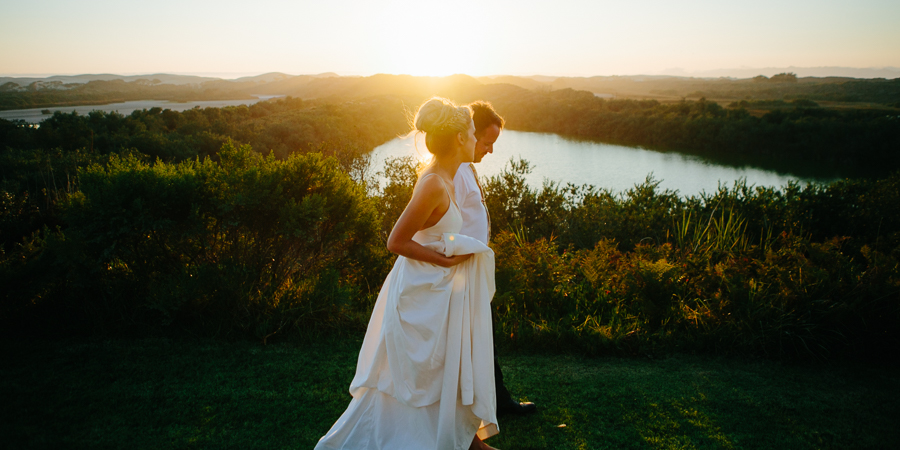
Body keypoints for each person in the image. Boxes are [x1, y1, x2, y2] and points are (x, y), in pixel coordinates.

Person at [315, 97, 500, 450]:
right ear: (460, 137)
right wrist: (440, 258)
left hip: (436, 290)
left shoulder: (447, 175)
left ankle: (465, 441)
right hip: (419, 290)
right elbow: (396, 241)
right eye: (474, 133)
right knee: (420, 373)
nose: (478, 140)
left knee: (442, 368)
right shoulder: (433, 183)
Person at [454, 101, 537, 417]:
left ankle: (492, 402)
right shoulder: (455, 173)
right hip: (461, 275)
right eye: (487, 142)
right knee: (478, 342)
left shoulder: (465, 167)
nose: (489, 151)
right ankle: (495, 404)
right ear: (469, 134)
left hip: (471, 271)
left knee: (480, 341)